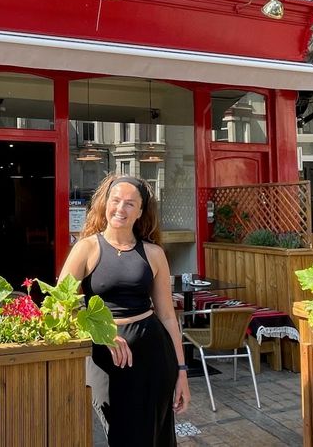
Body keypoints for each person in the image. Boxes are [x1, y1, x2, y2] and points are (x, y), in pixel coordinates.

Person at [58, 174, 190, 446]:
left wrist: (182, 372)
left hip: (153, 356)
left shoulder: (153, 253)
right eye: (115, 200)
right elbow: (60, 306)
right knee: (116, 433)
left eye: (130, 204)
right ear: (105, 204)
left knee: (155, 433)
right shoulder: (86, 248)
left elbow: (167, 315)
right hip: (104, 357)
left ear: (141, 212)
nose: (120, 208)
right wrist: (102, 334)